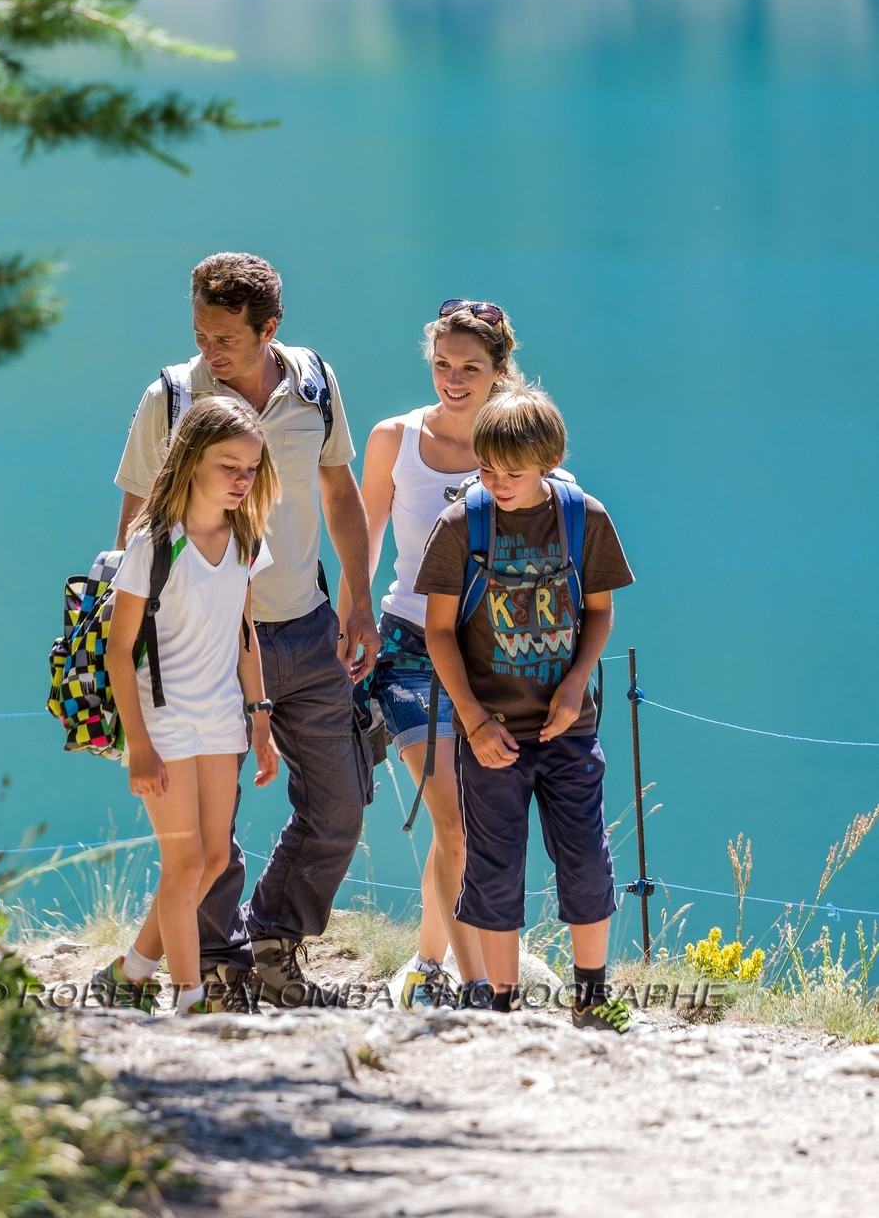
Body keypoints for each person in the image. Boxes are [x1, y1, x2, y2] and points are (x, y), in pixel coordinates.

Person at [112, 253, 379, 1007]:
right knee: (207, 835)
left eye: (225, 337)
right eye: (200, 332)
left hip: (303, 627)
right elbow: (136, 521)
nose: (209, 350)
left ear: (270, 328)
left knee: (339, 805)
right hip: (201, 649)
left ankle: (274, 940)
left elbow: (339, 492)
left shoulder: (314, 385)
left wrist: (358, 600)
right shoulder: (169, 397)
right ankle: (220, 965)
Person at [416, 385, 635, 1030]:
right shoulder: (462, 525)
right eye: (486, 469)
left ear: (549, 462)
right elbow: (437, 633)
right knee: (494, 867)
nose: (497, 483)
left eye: (513, 472)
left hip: (569, 726)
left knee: (587, 859)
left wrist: (576, 684)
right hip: (493, 734)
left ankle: (593, 997)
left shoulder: (583, 519)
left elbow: (599, 611)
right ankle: (504, 1006)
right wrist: (474, 721)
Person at [338, 298, 520, 1010]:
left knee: (473, 827)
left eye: (470, 367)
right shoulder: (395, 438)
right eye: (441, 363)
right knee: (451, 818)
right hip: (410, 646)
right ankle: (479, 987)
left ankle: (428, 962)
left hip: (497, 653)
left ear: (499, 369)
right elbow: (364, 540)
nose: (452, 378)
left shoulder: (520, 439)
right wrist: (357, 613)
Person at [102, 397, 280, 1016]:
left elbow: (244, 634)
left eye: (251, 469)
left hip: (222, 718)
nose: (241, 480)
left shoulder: (246, 537)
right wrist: (140, 746)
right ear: (190, 460)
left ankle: (128, 973)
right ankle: (189, 1000)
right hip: (164, 722)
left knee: (212, 859)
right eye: (228, 466)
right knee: (182, 865)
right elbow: (118, 652)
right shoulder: (152, 544)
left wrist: (260, 720)